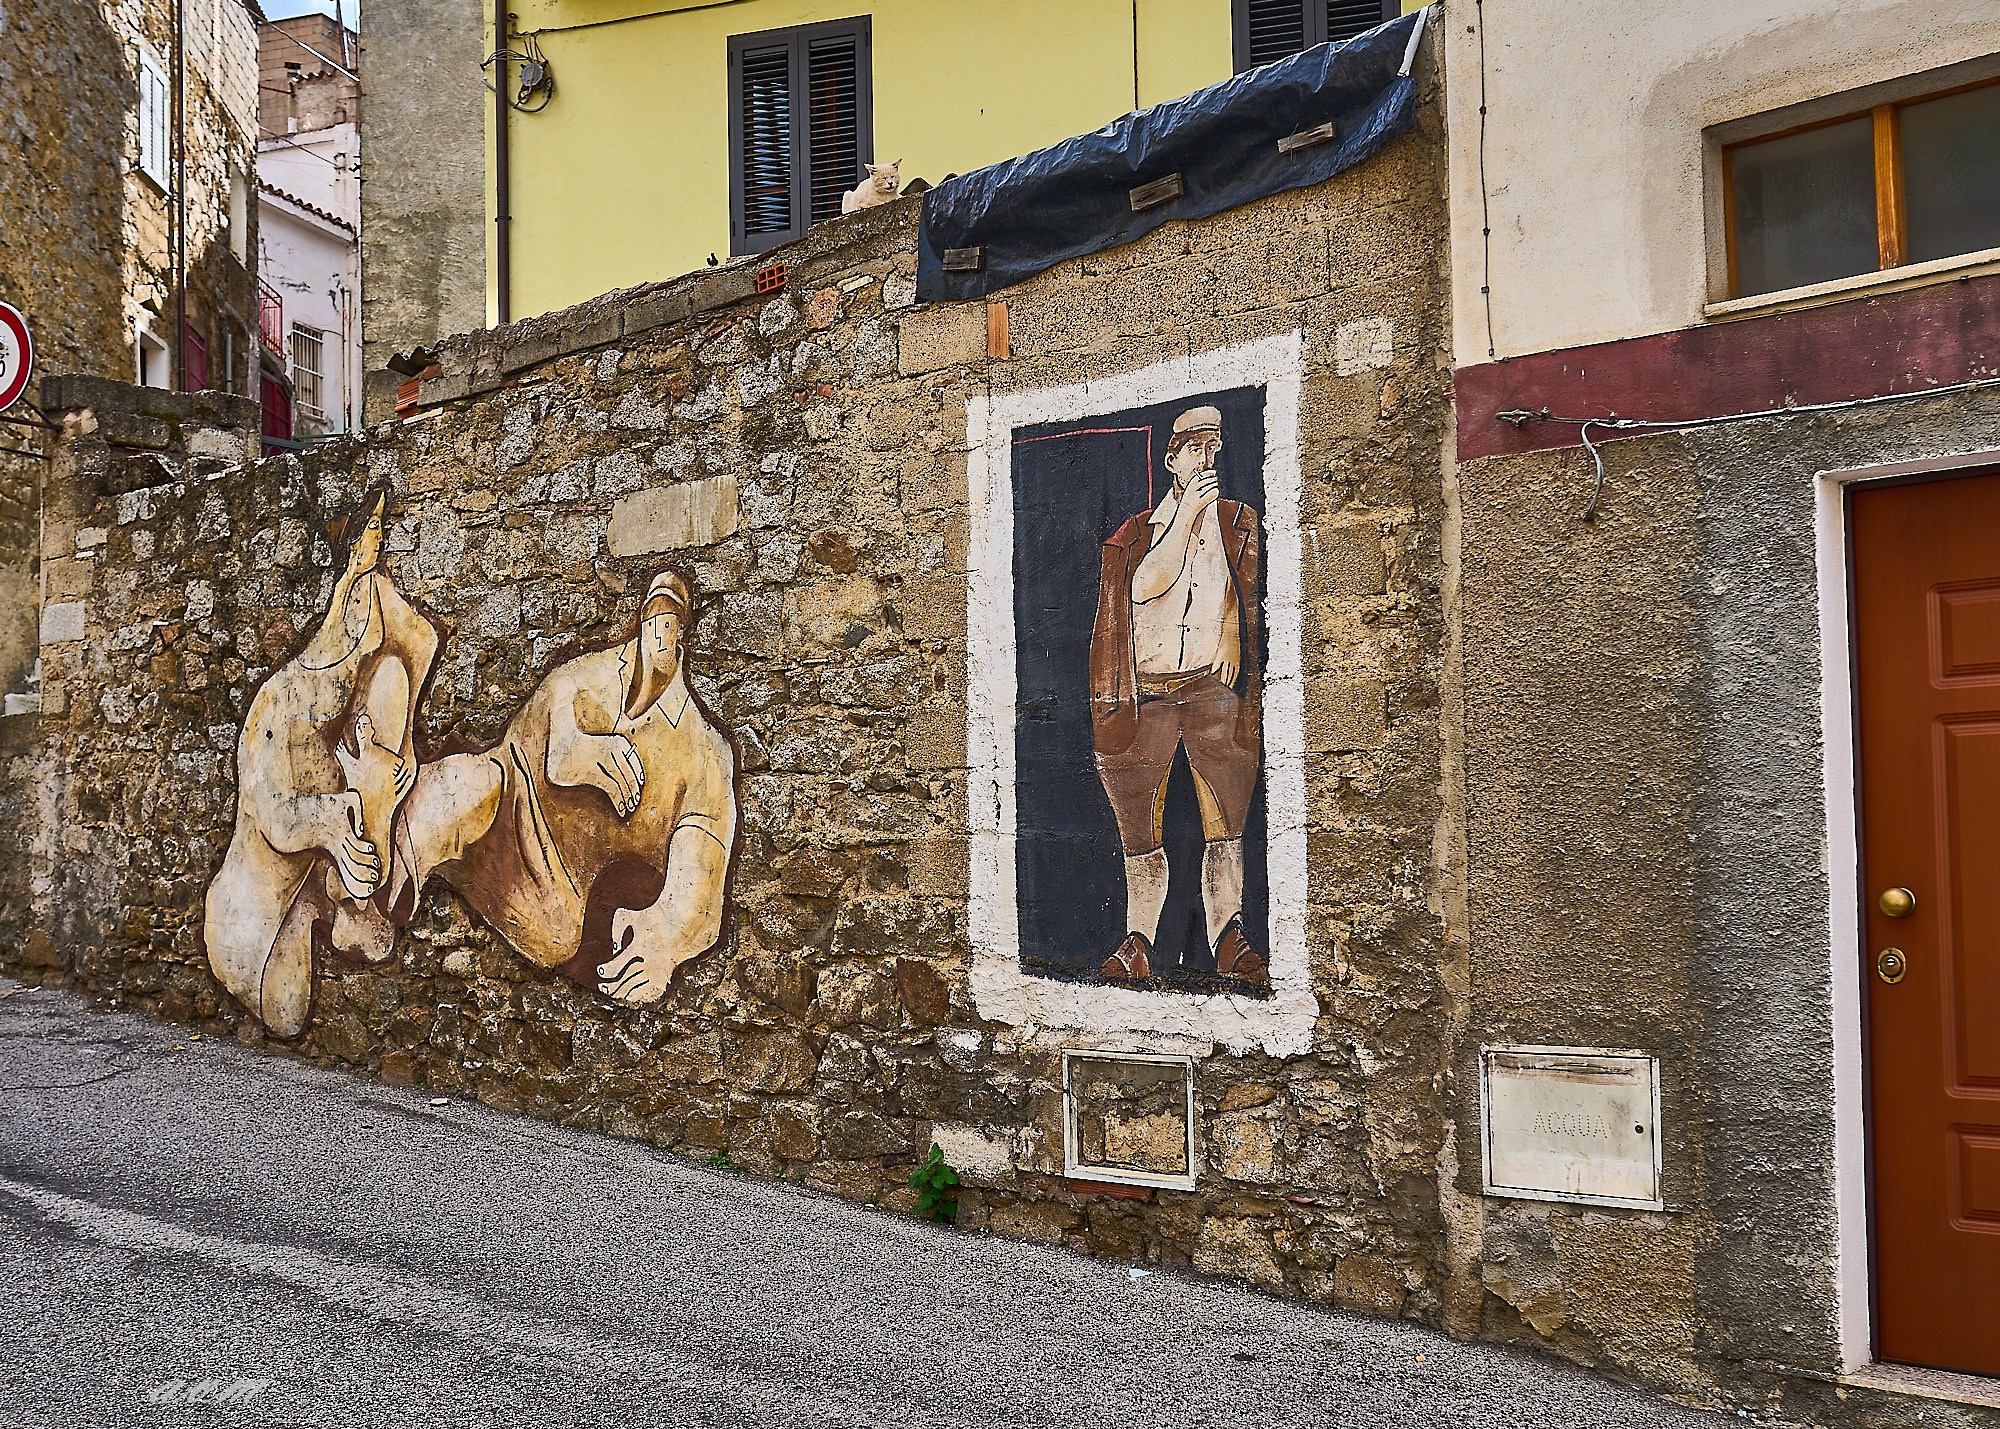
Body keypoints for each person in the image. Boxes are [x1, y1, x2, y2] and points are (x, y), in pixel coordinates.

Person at [388, 570, 737, 1005]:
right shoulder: (587, 676)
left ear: (684, 632)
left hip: (552, 899)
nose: (660, 634)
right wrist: (573, 749)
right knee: (469, 789)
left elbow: (700, 879)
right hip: (508, 799)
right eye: (653, 620)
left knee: (556, 936)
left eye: (671, 623)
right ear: (642, 622)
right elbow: (553, 720)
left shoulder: (705, 753)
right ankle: (385, 881)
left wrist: (663, 939)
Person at [203, 490, 437, 1035]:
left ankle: (349, 900)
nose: (364, 645)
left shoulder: (356, 681)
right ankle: (343, 898)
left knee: (391, 686)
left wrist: (384, 769)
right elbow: (278, 816)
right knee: (284, 1013)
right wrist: (337, 820)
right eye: (356, 631)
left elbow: (416, 640)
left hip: (309, 886)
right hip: (249, 925)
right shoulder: (280, 703)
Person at [1087, 405, 1268, 987]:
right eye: (1195, 446)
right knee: (1140, 826)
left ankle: (1227, 938)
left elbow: (1249, 587)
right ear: (1172, 459)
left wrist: (1233, 628)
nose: (1207, 457)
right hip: (1149, 696)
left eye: (1214, 446)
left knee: (1227, 819)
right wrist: (1188, 511)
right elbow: (1146, 587)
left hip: (1212, 691)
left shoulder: (1237, 521)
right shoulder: (1139, 534)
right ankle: (1138, 941)